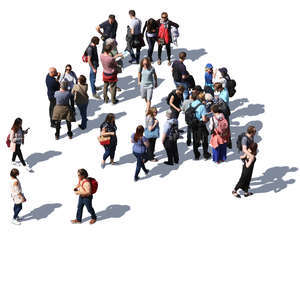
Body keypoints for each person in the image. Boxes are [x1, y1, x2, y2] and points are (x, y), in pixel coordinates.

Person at [232, 126, 257, 198]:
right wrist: (250, 156)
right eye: (254, 131)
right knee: (244, 176)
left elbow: (249, 147)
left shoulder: (251, 137)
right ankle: (234, 190)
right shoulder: (245, 139)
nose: (255, 133)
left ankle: (246, 191)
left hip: (250, 157)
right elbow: (244, 149)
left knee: (249, 176)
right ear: (251, 132)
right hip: (248, 159)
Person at [190, 92, 211, 160]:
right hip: (200, 125)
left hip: (193, 124)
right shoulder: (202, 107)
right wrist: (208, 119)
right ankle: (205, 154)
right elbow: (204, 119)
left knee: (195, 139)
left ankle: (196, 155)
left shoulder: (192, 103)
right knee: (204, 139)